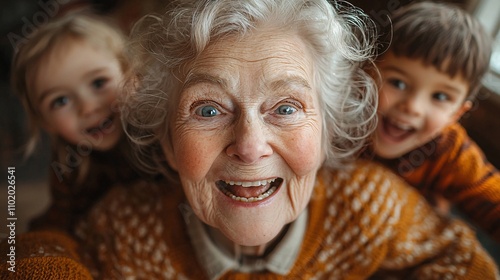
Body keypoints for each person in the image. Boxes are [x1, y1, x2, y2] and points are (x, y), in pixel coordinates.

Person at [1, 0, 497, 279]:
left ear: (326, 136)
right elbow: (42, 253)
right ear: (170, 146)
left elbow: (461, 259)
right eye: (209, 109)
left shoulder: (369, 206)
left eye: (286, 108)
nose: (251, 146)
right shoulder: (126, 232)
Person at [368, 1, 500, 242]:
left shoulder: (449, 151)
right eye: (398, 83)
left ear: (456, 114)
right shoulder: (339, 121)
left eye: (440, 97)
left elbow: (491, 199)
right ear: (368, 73)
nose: (413, 107)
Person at [9, 13, 141, 234]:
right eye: (60, 101)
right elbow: (64, 220)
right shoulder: (68, 164)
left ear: (130, 75)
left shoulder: (160, 134)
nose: (88, 108)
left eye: (99, 83)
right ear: (45, 122)